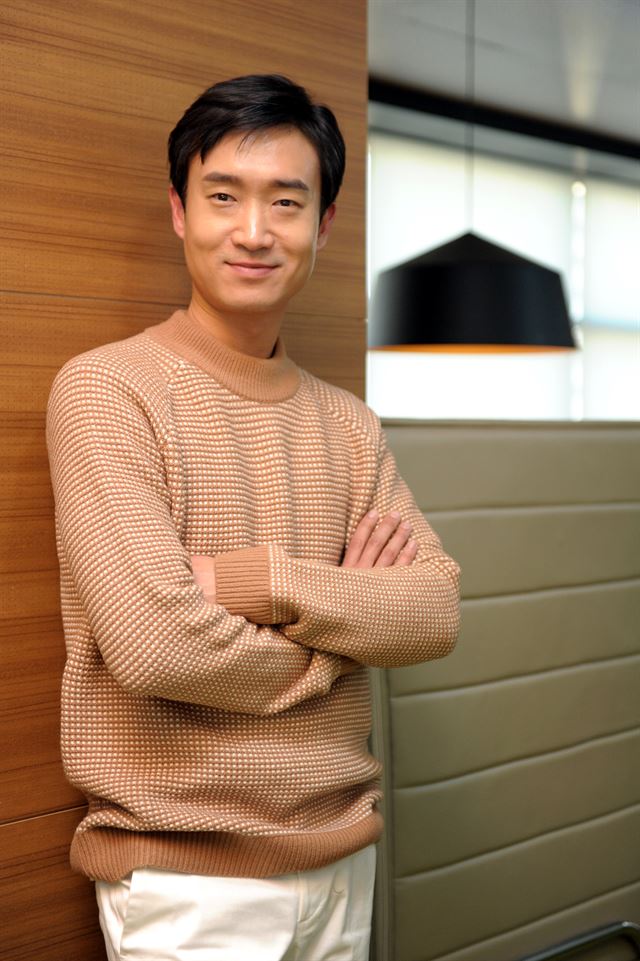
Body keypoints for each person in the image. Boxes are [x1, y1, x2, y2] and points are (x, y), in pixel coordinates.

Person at [46, 74, 460, 961]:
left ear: (324, 223)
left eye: (286, 201)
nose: (254, 230)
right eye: (224, 196)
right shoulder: (107, 390)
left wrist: (256, 581)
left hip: (345, 854)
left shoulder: (349, 422)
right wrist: (349, 631)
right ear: (179, 210)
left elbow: (433, 611)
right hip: (187, 884)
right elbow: (158, 646)